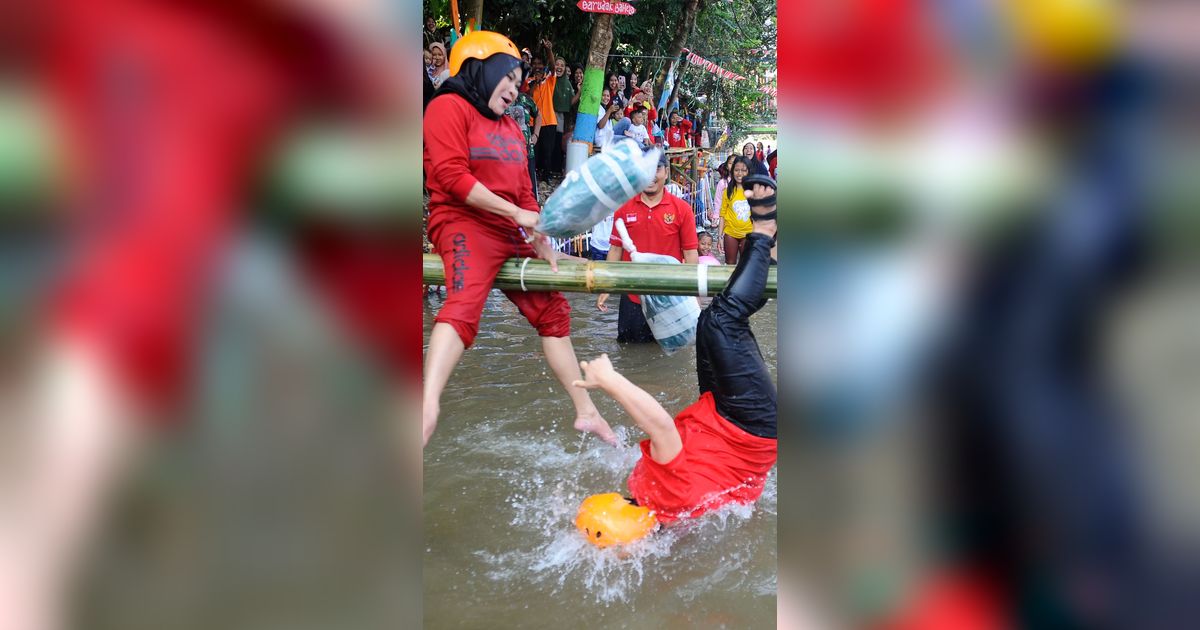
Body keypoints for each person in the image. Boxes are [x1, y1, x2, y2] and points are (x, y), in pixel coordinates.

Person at [422, 30, 615, 447]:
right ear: (478, 70)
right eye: (506, 78)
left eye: (517, 81)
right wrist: (516, 214)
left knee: (553, 312)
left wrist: (541, 241)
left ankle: (586, 410)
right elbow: (452, 178)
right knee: (464, 303)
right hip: (463, 223)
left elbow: (526, 193)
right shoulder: (446, 107)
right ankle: (426, 404)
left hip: (511, 230)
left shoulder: (511, 128)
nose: (514, 88)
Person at [573, 176, 777, 539]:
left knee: (708, 325)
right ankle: (763, 231)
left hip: (723, 425)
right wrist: (610, 380)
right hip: (750, 426)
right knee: (722, 322)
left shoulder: (669, 519)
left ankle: (773, 256)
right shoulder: (663, 493)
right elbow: (662, 427)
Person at [597, 152, 698, 342]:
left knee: (670, 355)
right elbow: (615, 250)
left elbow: (691, 254)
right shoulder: (624, 208)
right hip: (632, 295)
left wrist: (692, 294)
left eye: (656, 169)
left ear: (666, 172)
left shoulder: (682, 209)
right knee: (628, 352)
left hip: (669, 296)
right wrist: (605, 286)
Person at [504, 77, 542, 200]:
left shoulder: (525, 99)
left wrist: (535, 135)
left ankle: (532, 212)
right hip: (506, 151)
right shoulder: (499, 99)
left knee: (530, 186)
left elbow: (538, 114)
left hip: (527, 149)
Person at [529, 39, 558, 181]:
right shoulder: (528, 81)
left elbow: (553, 67)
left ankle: (547, 176)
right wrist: (535, 82)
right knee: (535, 151)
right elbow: (527, 96)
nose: (537, 66)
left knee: (548, 152)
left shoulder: (549, 79)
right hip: (532, 122)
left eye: (540, 63)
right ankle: (533, 175)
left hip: (549, 121)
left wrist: (548, 50)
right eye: (534, 64)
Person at [718, 157, 753, 264]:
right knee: (730, 264)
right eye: (737, 170)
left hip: (748, 234)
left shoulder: (755, 190)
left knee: (746, 265)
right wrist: (720, 236)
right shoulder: (728, 191)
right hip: (730, 234)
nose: (739, 173)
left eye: (743, 170)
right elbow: (722, 215)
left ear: (749, 172)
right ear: (732, 171)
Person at [550, 56, 574, 176]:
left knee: (557, 141)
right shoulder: (549, 79)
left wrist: (579, 92)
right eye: (557, 64)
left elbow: (570, 101)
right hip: (547, 114)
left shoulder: (567, 83)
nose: (559, 67)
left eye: (562, 65)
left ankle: (555, 169)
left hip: (560, 116)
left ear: (565, 69)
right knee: (547, 141)